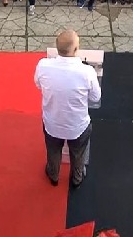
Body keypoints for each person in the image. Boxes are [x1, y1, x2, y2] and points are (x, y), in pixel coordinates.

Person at [35, 29, 101, 189]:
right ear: (76, 49)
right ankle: (77, 178)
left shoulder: (43, 66)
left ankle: (53, 174)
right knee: (78, 154)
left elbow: (38, 85)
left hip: (52, 123)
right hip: (78, 126)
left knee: (53, 151)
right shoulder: (87, 72)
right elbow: (96, 98)